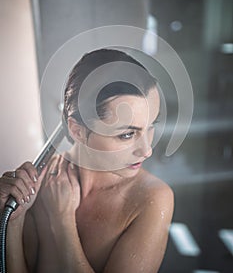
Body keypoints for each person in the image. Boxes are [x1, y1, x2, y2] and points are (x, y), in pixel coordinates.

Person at [0, 48, 174, 273]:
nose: (147, 150)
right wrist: (12, 222)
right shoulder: (36, 185)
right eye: (127, 134)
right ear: (78, 131)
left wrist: (62, 222)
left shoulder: (151, 198)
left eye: (149, 128)